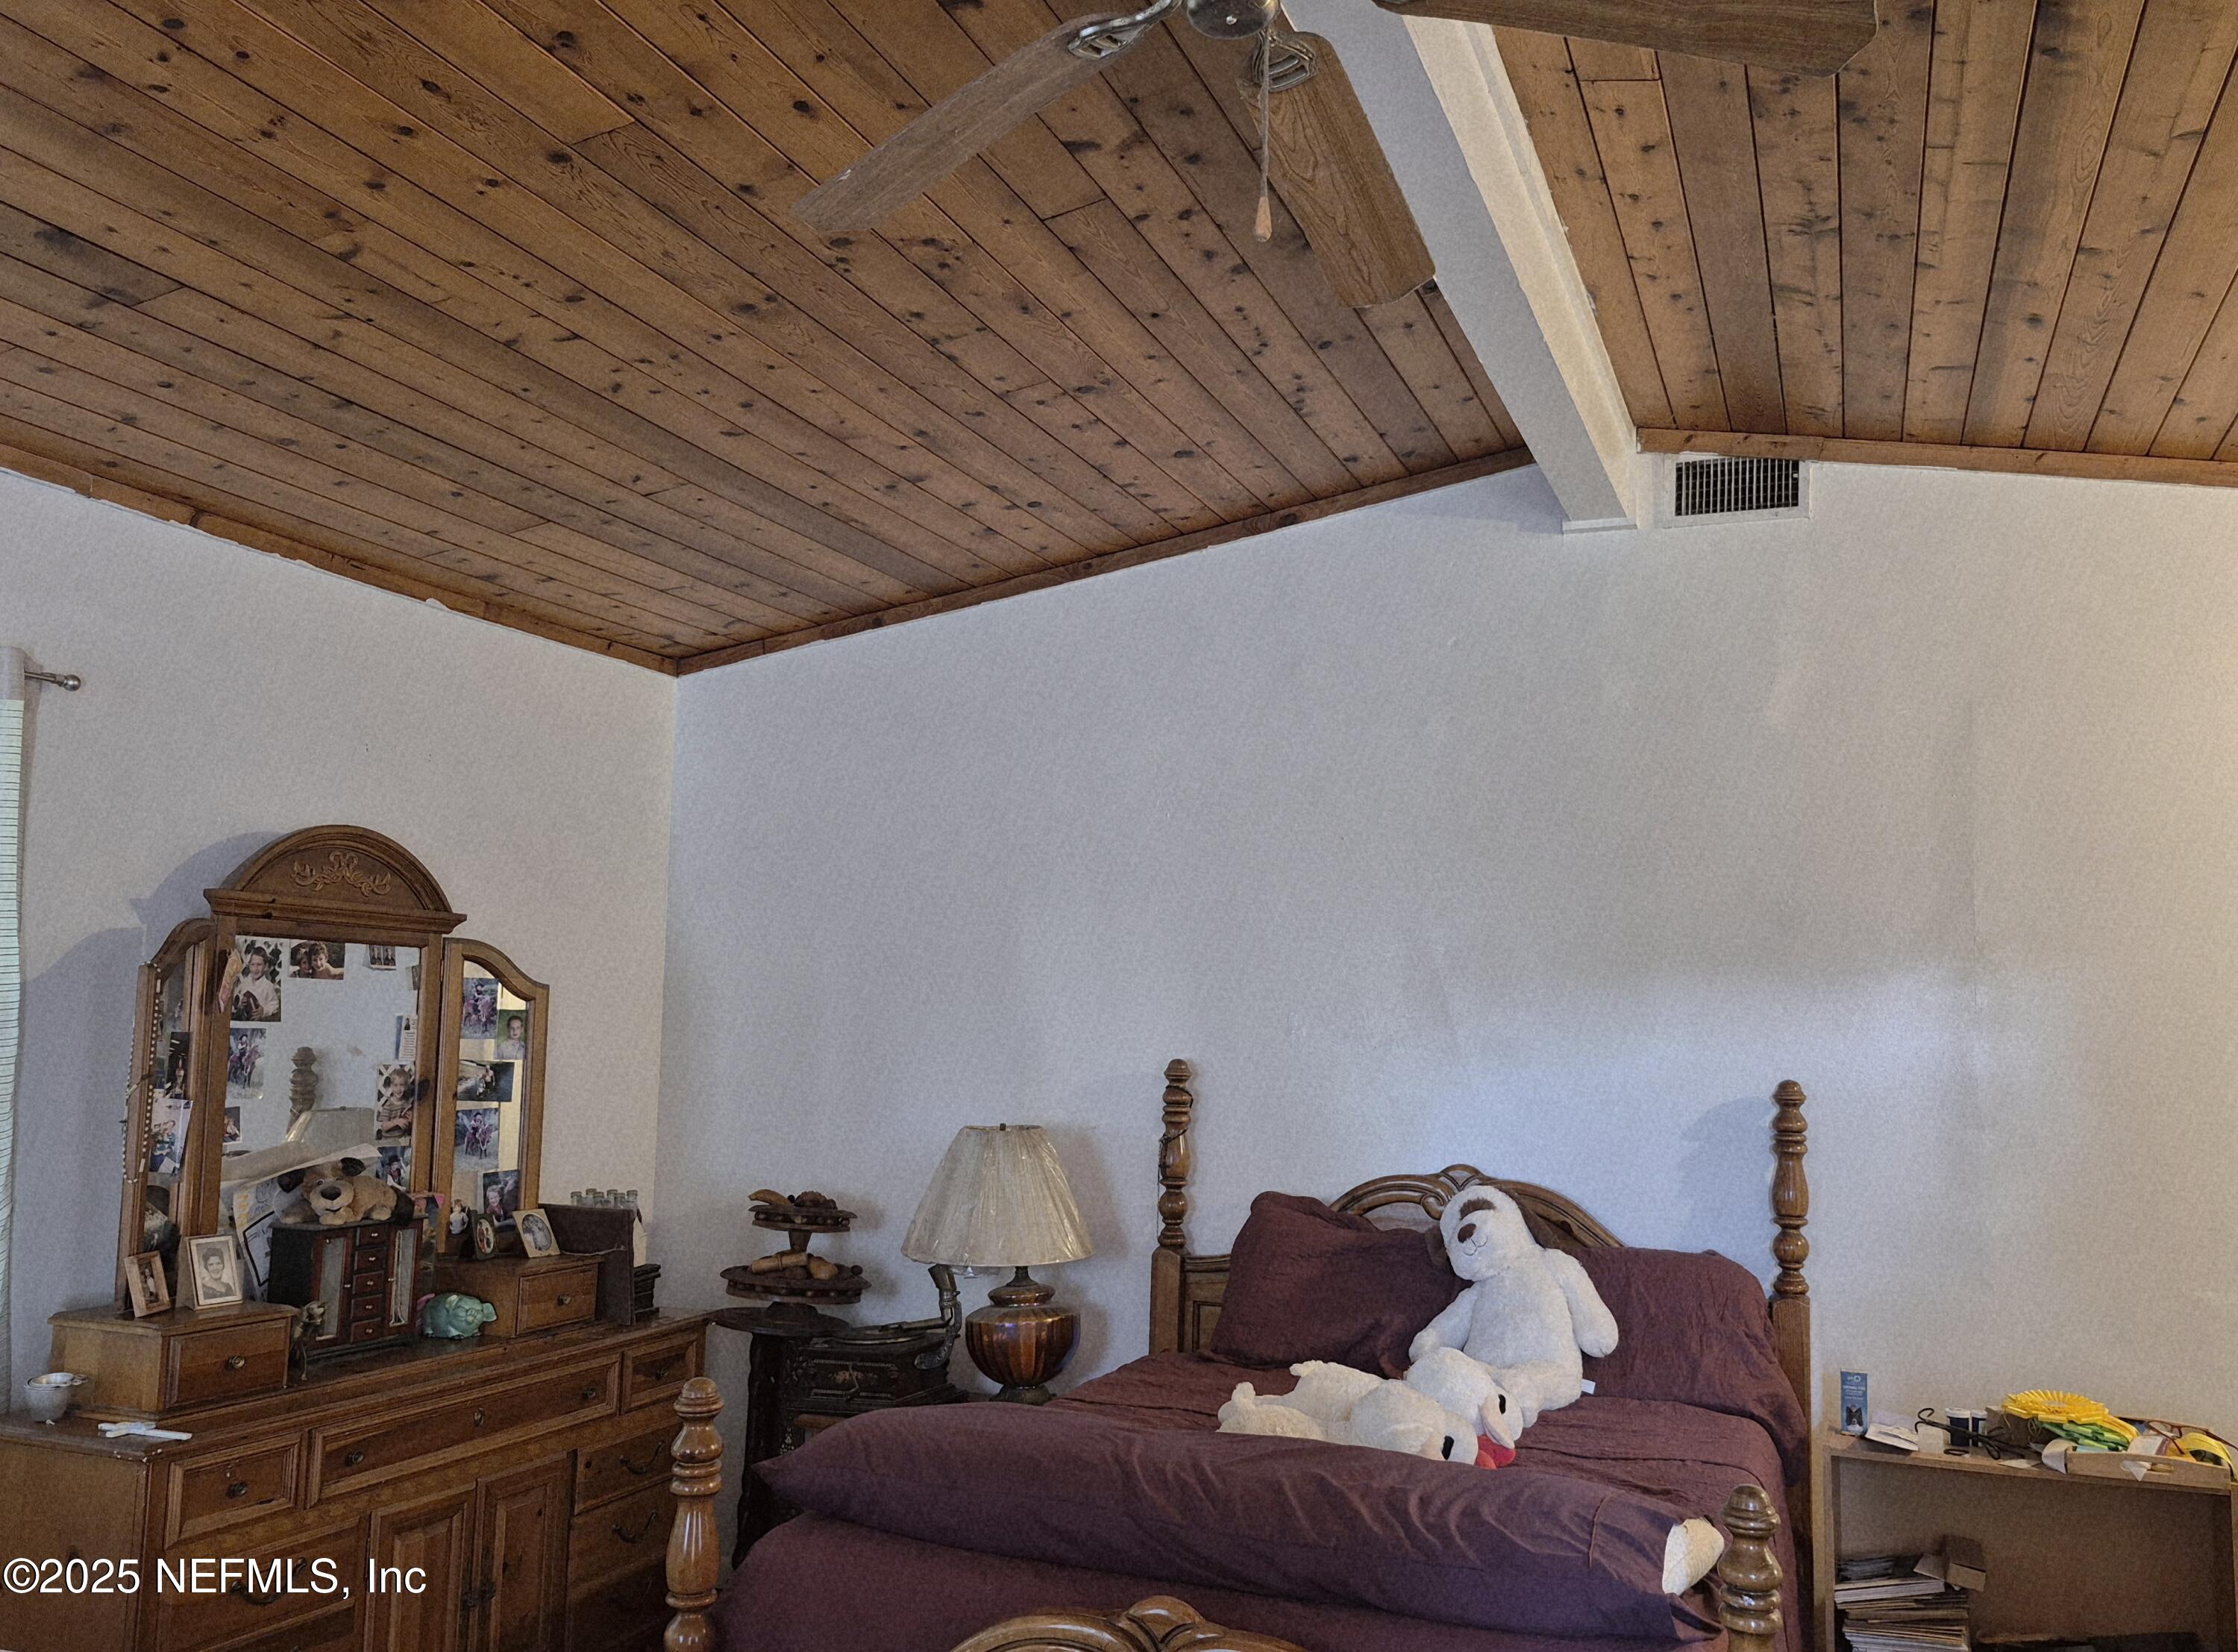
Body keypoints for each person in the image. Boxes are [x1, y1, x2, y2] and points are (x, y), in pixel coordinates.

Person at [233, 944, 280, 1021]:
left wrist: (264, 1011)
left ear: (265, 967)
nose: (256, 969)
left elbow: (275, 1007)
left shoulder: (268, 986)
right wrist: (241, 1004)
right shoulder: (246, 983)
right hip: (246, 1019)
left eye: (259, 965)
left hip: (260, 1021)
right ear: (249, 966)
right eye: (253, 964)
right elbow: (241, 1000)